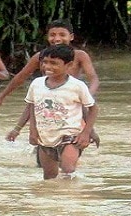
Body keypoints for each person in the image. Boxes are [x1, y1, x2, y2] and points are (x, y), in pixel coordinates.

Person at [0, 19, 99, 145]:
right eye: (52, 35)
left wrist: (89, 95)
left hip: (71, 103)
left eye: (62, 35)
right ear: (47, 37)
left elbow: (94, 79)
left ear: (71, 37)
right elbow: (20, 78)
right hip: (46, 104)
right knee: (41, 142)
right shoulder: (40, 56)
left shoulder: (79, 55)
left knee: (73, 145)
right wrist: (0, 98)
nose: (57, 39)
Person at [25, 44, 98, 180]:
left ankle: (72, 198)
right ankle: (54, 200)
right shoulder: (36, 84)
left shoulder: (77, 86)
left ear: (68, 65)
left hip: (69, 136)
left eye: (54, 63)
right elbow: (32, 106)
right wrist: (32, 130)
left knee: (68, 170)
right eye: (45, 62)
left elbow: (93, 108)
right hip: (45, 137)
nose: (47, 66)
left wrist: (86, 133)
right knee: (49, 177)